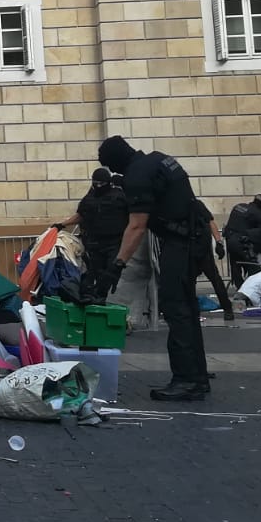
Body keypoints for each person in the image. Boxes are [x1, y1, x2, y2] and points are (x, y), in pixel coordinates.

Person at [97, 135, 208, 402]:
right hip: (194, 236)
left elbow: (137, 226)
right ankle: (197, 377)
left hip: (181, 242)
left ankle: (185, 380)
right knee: (188, 310)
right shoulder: (159, 159)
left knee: (176, 309)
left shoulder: (136, 175)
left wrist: (116, 266)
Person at [54, 167, 128, 301]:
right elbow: (80, 215)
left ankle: (109, 300)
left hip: (115, 243)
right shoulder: (89, 198)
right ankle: (97, 301)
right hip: (94, 244)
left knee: (111, 274)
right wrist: (62, 225)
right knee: (96, 276)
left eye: (101, 184)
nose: (98, 186)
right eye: (96, 183)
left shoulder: (119, 196)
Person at [194, 202, 235, 321]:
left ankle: (227, 308)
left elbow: (210, 221)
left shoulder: (196, 205)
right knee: (213, 280)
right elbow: (211, 222)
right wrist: (218, 242)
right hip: (194, 250)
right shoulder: (194, 204)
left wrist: (219, 242)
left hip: (201, 250)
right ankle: (226, 309)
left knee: (215, 280)